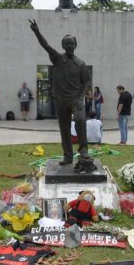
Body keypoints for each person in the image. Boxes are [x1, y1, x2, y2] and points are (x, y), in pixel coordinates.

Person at [29, 19, 92, 168]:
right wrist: (37, 31)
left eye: (72, 43)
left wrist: (80, 98)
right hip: (60, 100)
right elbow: (45, 45)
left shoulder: (81, 64)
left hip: (76, 99)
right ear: (63, 45)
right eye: (67, 43)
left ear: (75, 45)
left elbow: (87, 82)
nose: (69, 45)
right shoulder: (57, 59)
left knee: (81, 120)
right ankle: (68, 156)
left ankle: (83, 150)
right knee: (64, 128)